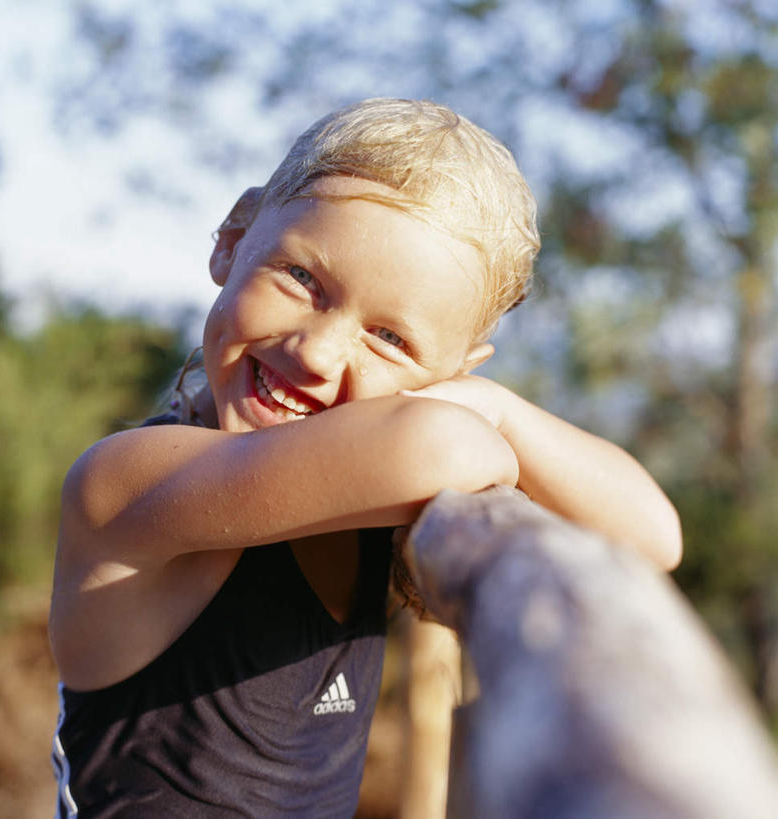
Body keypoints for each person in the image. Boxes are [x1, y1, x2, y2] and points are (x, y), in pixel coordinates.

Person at [49, 98, 682, 817]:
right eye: (301, 279)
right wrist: (470, 409)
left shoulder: (363, 488)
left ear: (454, 369)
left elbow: (652, 536)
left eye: (389, 337)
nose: (315, 351)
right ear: (232, 236)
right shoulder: (126, 484)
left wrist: (496, 407)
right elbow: (441, 442)